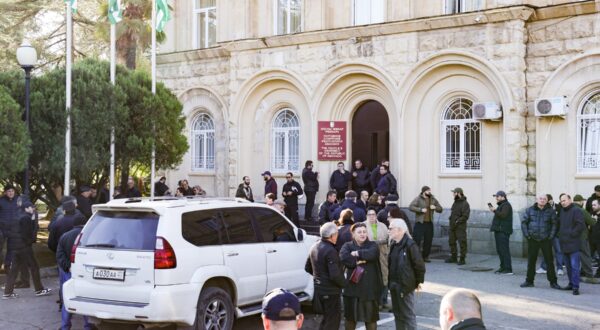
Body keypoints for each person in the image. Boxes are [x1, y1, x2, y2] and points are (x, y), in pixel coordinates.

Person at [3, 201, 52, 299]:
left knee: (14, 269)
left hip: (15, 247)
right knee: (34, 267)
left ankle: (7, 292)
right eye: (31, 207)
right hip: (24, 247)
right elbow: (28, 234)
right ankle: (39, 289)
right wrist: (33, 223)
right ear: (26, 208)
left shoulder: (17, 216)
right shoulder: (26, 218)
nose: (33, 209)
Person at [339, 223, 382, 330]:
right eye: (359, 232)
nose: (363, 234)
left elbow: (373, 254)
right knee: (350, 319)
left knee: (371, 319)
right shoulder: (347, 246)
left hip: (369, 289)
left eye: (364, 231)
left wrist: (357, 253)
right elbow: (344, 257)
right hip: (352, 289)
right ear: (353, 234)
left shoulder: (373, 245)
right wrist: (359, 261)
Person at [304, 222, 346, 330]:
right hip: (330, 291)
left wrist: (319, 277)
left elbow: (307, 267)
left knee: (325, 320)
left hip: (319, 290)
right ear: (332, 236)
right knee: (332, 321)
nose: (338, 235)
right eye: (337, 233)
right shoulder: (331, 250)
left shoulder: (314, 246)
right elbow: (335, 275)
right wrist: (345, 284)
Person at [56, 214, 93, 330]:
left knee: (68, 298)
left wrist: (68, 267)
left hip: (68, 272)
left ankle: (65, 326)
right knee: (85, 298)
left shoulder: (65, 236)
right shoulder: (90, 236)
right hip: (85, 273)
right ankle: (88, 325)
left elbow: (60, 255)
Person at [388, 218, 426, 330]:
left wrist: (417, 282)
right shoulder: (394, 244)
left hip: (405, 286)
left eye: (391, 228)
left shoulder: (410, 245)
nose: (388, 230)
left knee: (408, 315)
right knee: (398, 314)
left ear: (400, 230)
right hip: (394, 285)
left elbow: (419, 266)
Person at [519, 194, 561, 290]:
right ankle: (529, 281)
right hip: (533, 239)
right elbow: (524, 223)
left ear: (547, 201)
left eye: (544, 199)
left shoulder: (551, 211)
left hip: (546, 240)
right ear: (537, 200)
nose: (542, 200)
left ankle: (553, 282)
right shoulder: (530, 210)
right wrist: (527, 235)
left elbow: (555, 224)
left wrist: (551, 236)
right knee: (531, 261)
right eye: (540, 198)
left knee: (549, 262)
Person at [557, 194, 585, 295]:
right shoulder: (562, 211)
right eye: (561, 201)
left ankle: (576, 287)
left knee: (574, 266)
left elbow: (580, 225)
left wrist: (571, 234)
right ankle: (571, 283)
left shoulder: (576, 210)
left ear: (570, 200)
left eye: (564, 200)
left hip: (573, 243)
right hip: (564, 243)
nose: (563, 202)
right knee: (568, 267)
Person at [364, 208, 390, 308]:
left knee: (384, 277)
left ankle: (383, 300)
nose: (371, 216)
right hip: (369, 255)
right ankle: (374, 301)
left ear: (376, 216)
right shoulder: (363, 225)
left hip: (382, 254)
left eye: (373, 214)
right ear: (367, 216)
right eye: (369, 214)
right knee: (371, 278)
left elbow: (388, 238)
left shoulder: (382, 226)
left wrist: (380, 242)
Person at [409, 186, 442, 262]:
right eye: (428, 191)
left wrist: (435, 207)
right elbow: (411, 207)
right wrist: (420, 210)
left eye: (430, 191)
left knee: (428, 240)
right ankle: (416, 257)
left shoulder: (433, 199)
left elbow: (440, 209)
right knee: (417, 240)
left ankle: (425, 257)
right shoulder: (418, 198)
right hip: (420, 223)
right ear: (424, 192)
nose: (430, 192)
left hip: (429, 223)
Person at [537, 194, 564, 276]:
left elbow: (561, 220)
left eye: (548, 200)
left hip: (556, 234)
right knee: (546, 251)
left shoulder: (559, 207)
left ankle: (560, 268)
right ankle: (543, 268)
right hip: (547, 233)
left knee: (558, 251)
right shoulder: (545, 208)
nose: (547, 202)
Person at [488, 190, 514, 275]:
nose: (496, 198)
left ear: (503, 197)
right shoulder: (502, 205)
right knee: (500, 250)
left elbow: (503, 215)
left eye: (497, 196)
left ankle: (508, 269)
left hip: (503, 231)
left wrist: (494, 211)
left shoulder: (506, 205)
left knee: (504, 250)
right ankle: (503, 267)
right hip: (499, 230)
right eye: (496, 196)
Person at [573, 194, 596, 278]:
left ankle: (578, 273)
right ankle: (589, 274)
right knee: (585, 255)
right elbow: (592, 222)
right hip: (581, 236)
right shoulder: (581, 210)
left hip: (571, 237)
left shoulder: (569, 209)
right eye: (582, 201)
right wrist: (594, 218)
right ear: (580, 201)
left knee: (574, 256)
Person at [446, 188, 470, 265]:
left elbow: (465, 216)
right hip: (452, 226)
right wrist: (451, 219)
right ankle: (454, 257)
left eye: (454, 193)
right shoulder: (455, 202)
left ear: (459, 193)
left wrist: (458, 221)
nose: (453, 194)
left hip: (460, 227)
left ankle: (462, 259)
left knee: (462, 242)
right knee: (451, 241)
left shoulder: (465, 203)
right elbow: (453, 213)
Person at [0, 184, 19, 273]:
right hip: (2, 229)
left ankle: (7, 266)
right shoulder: (1, 201)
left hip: (14, 229)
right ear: (5, 192)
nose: (11, 193)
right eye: (9, 191)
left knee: (11, 249)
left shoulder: (18, 201)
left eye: (12, 191)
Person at [590, 199, 600, 278]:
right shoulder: (592, 214)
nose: (592, 206)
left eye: (594, 205)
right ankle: (584, 271)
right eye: (592, 205)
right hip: (592, 239)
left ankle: (598, 273)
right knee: (587, 256)